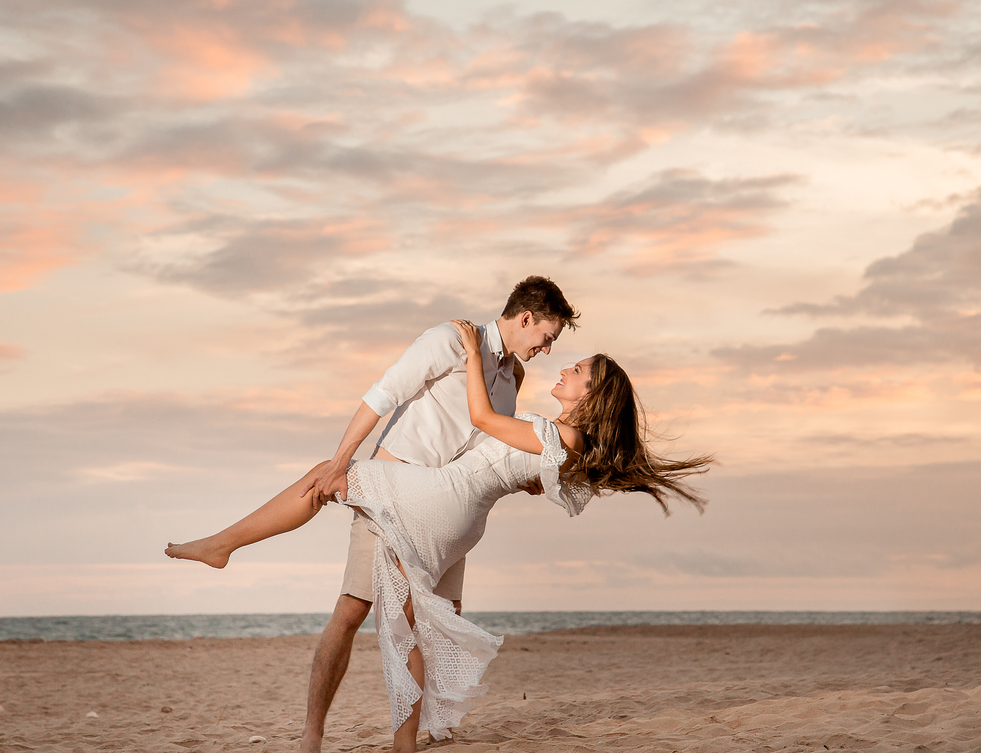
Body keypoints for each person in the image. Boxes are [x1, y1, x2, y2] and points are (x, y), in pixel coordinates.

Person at [165, 320, 711, 751]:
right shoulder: (565, 437)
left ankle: (223, 545)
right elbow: (529, 478)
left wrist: (472, 354)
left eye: (577, 368)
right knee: (416, 618)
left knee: (326, 475)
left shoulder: (555, 428)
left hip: (440, 496)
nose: (562, 364)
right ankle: (410, 739)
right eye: (560, 349)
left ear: (591, 392)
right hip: (464, 519)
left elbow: (479, 415)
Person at [171, 276, 579, 753]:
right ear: (526, 318)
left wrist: (522, 478)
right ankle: (312, 734)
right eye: (547, 337)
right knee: (350, 613)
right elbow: (382, 394)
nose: (546, 349)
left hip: (447, 510)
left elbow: (487, 440)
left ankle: (417, 737)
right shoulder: (449, 340)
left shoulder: (515, 377)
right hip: (398, 489)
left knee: (438, 621)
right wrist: (343, 459)